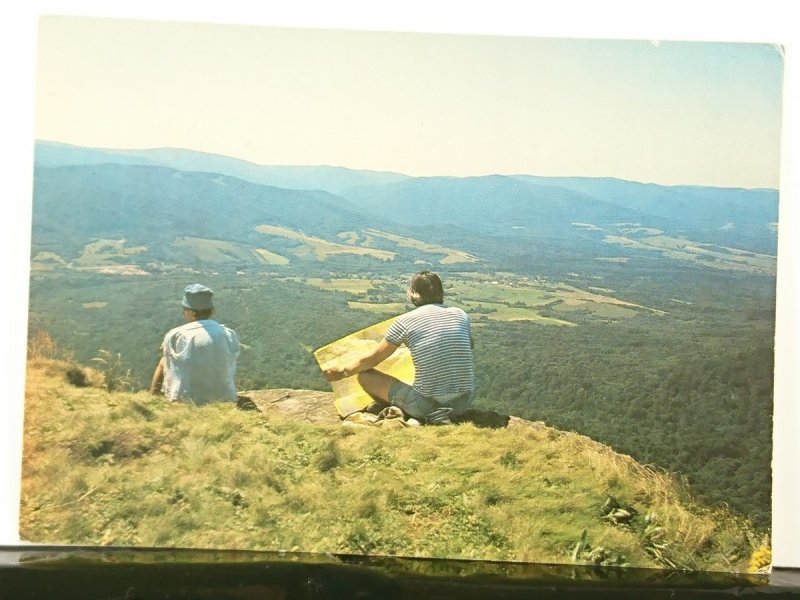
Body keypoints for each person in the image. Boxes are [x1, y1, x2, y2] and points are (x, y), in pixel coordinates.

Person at [324, 271, 475, 425]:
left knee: (365, 376)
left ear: (413, 294)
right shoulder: (460, 314)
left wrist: (343, 371)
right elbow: (467, 347)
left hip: (426, 405)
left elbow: (373, 359)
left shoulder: (405, 322)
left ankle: (422, 414)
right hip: (463, 402)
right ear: (441, 292)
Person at [150, 284, 240, 404]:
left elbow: (167, 361)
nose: (183, 314)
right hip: (226, 398)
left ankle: (152, 396)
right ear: (212, 311)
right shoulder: (230, 334)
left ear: (190, 312)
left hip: (186, 400)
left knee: (163, 361)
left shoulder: (175, 335)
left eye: (184, 310)